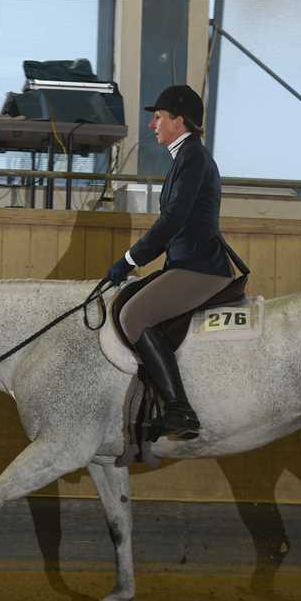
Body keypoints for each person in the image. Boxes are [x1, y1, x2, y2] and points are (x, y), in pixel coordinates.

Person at [106, 84, 246, 440]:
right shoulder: (185, 157)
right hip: (185, 263)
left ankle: (178, 409)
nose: (152, 125)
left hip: (200, 268)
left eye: (158, 117)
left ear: (178, 121)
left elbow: (173, 220)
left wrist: (129, 259)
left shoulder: (193, 158)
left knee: (133, 316)